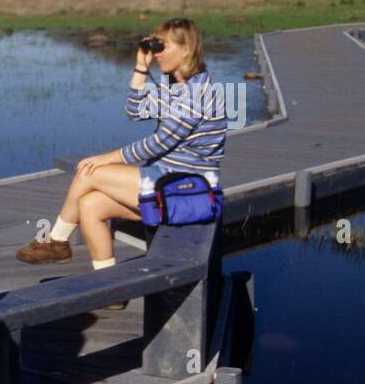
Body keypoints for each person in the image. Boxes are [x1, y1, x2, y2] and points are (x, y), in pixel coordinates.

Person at [16, 17, 227, 289]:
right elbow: (136, 111)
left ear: (186, 50)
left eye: (162, 47)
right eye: (154, 46)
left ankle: (56, 241)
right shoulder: (175, 84)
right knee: (89, 205)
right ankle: (111, 289)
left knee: (90, 173)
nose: (157, 53)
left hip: (186, 188)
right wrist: (141, 69)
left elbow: (159, 143)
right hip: (164, 180)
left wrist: (106, 158)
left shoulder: (199, 92)